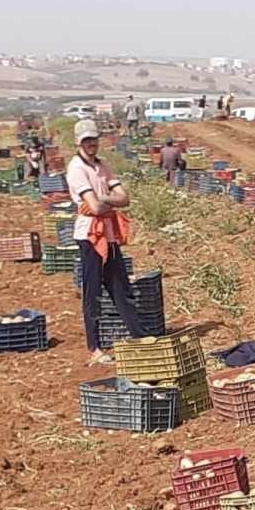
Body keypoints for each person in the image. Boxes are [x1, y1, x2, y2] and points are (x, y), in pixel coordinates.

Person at [66, 118, 146, 365]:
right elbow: (95, 206)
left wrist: (105, 199)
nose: (91, 144)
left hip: (109, 235)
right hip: (90, 236)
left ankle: (141, 340)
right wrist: (108, 199)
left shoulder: (103, 166)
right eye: (86, 141)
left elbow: (126, 198)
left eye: (93, 139)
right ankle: (95, 348)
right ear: (78, 142)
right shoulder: (76, 169)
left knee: (121, 289)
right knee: (92, 292)